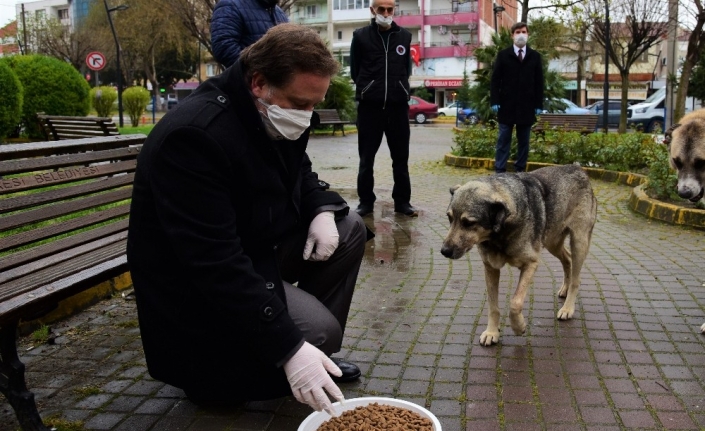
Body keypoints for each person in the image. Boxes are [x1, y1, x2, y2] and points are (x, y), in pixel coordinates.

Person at [126, 24, 367, 415]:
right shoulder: (194, 137)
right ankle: (248, 367)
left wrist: (321, 209)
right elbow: (212, 262)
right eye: (301, 104)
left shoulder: (271, 111)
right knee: (317, 330)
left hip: (254, 247)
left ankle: (311, 356)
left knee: (349, 228)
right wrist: (288, 344)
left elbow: (298, 171)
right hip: (197, 283)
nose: (307, 118)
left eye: (314, 105)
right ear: (258, 82)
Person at [350, 0, 418, 217]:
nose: (386, 13)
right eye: (382, 9)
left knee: (401, 159)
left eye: (390, 9)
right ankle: (366, 202)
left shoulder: (404, 37)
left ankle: (402, 202)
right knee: (366, 160)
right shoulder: (360, 36)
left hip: (397, 108)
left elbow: (406, 69)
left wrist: (398, 88)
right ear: (373, 10)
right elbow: (355, 70)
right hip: (370, 108)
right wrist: (370, 88)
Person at [490, 22, 544, 173]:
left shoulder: (535, 57)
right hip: (506, 106)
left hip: (526, 106)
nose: (521, 34)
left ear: (528, 34)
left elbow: (539, 82)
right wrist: (494, 100)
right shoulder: (503, 55)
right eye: (518, 32)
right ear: (512, 35)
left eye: (524, 32)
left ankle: (520, 170)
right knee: (503, 140)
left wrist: (538, 104)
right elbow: (495, 80)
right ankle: (500, 170)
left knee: (524, 142)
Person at [210, 0, 288, 68]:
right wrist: (259, 72)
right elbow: (223, 47)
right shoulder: (231, 5)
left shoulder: (279, 13)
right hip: (249, 82)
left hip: (278, 82)